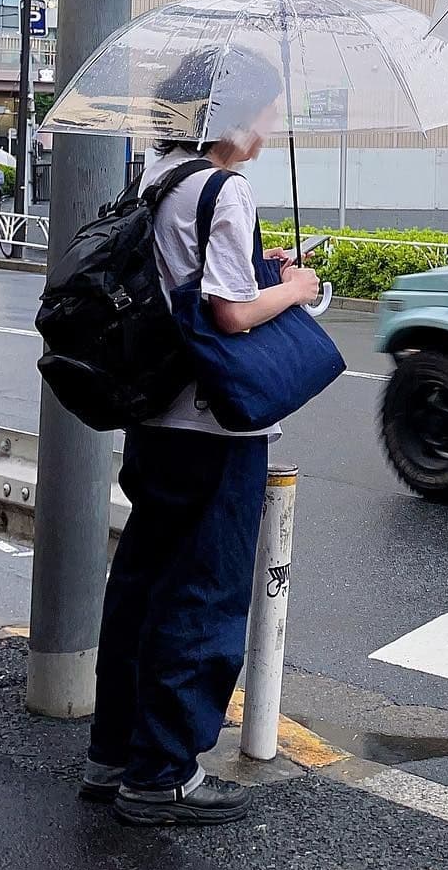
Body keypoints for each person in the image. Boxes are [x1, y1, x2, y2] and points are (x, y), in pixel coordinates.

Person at [80, 46, 321, 826]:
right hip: (214, 424)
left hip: (154, 418)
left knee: (143, 583)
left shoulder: (156, 177)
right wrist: (293, 287)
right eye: (269, 109)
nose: (273, 126)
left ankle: (112, 755)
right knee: (204, 595)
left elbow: (185, 281)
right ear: (235, 113)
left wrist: (260, 273)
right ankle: (162, 775)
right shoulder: (226, 188)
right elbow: (226, 313)